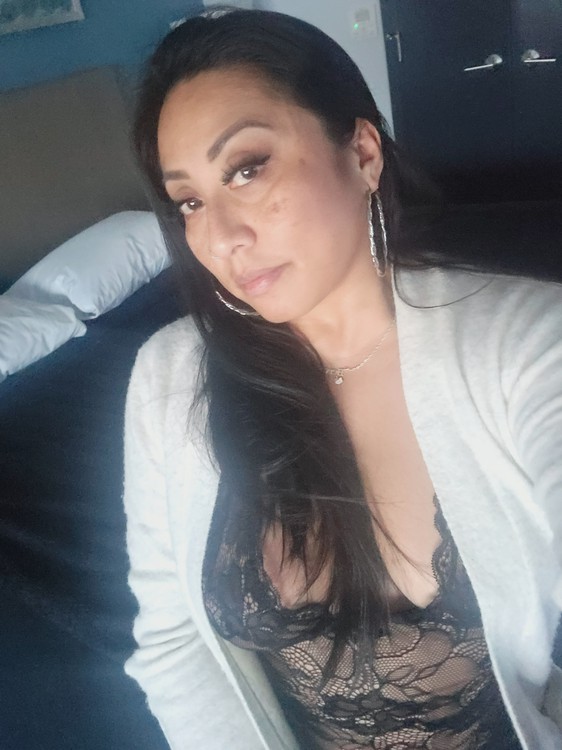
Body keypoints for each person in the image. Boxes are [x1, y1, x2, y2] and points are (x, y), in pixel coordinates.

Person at [123, 7, 562, 750]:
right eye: (189, 201)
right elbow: (171, 642)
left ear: (362, 153)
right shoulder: (168, 377)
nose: (221, 238)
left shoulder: (526, 344)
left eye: (247, 169)